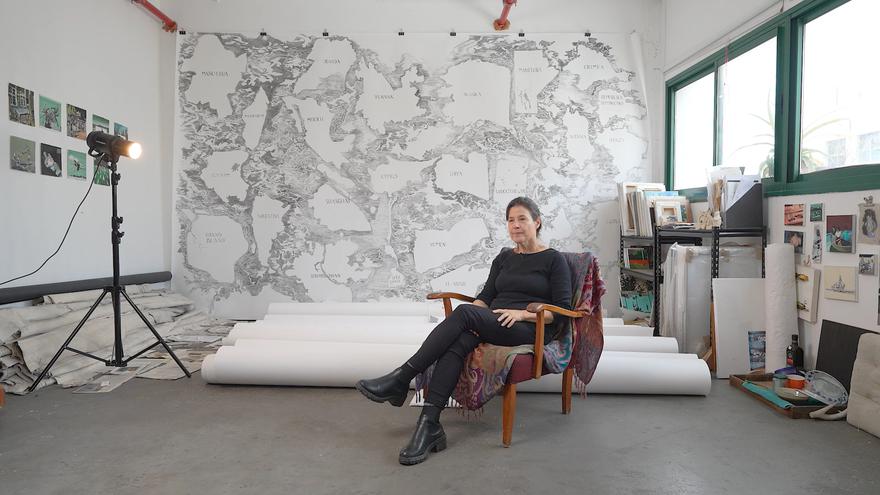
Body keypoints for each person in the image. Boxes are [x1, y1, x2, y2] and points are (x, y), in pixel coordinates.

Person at [356, 197, 572, 465]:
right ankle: (429, 425)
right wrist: (473, 318)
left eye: (522, 219)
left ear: (537, 222)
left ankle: (402, 379)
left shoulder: (553, 260)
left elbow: (561, 311)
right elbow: (485, 298)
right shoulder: (504, 258)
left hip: (529, 328)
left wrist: (522, 314)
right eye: (510, 220)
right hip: (495, 322)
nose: (515, 225)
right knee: (458, 340)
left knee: (464, 314)